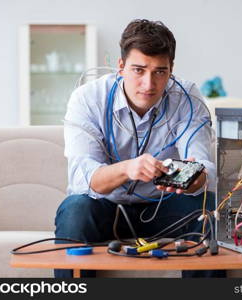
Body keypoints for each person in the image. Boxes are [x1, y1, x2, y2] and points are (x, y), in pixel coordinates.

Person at [54, 19, 225, 278]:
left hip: (164, 206)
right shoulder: (88, 98)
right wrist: (127, 169)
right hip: (106, 208)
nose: (149, 84)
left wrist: (189, 177)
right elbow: (82, 178)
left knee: (208, 208)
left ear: (171, 70)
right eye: (138, 70)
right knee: (75, 209)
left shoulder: (187, 99)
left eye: (160, 71)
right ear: (120, 67)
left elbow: (204, 173)